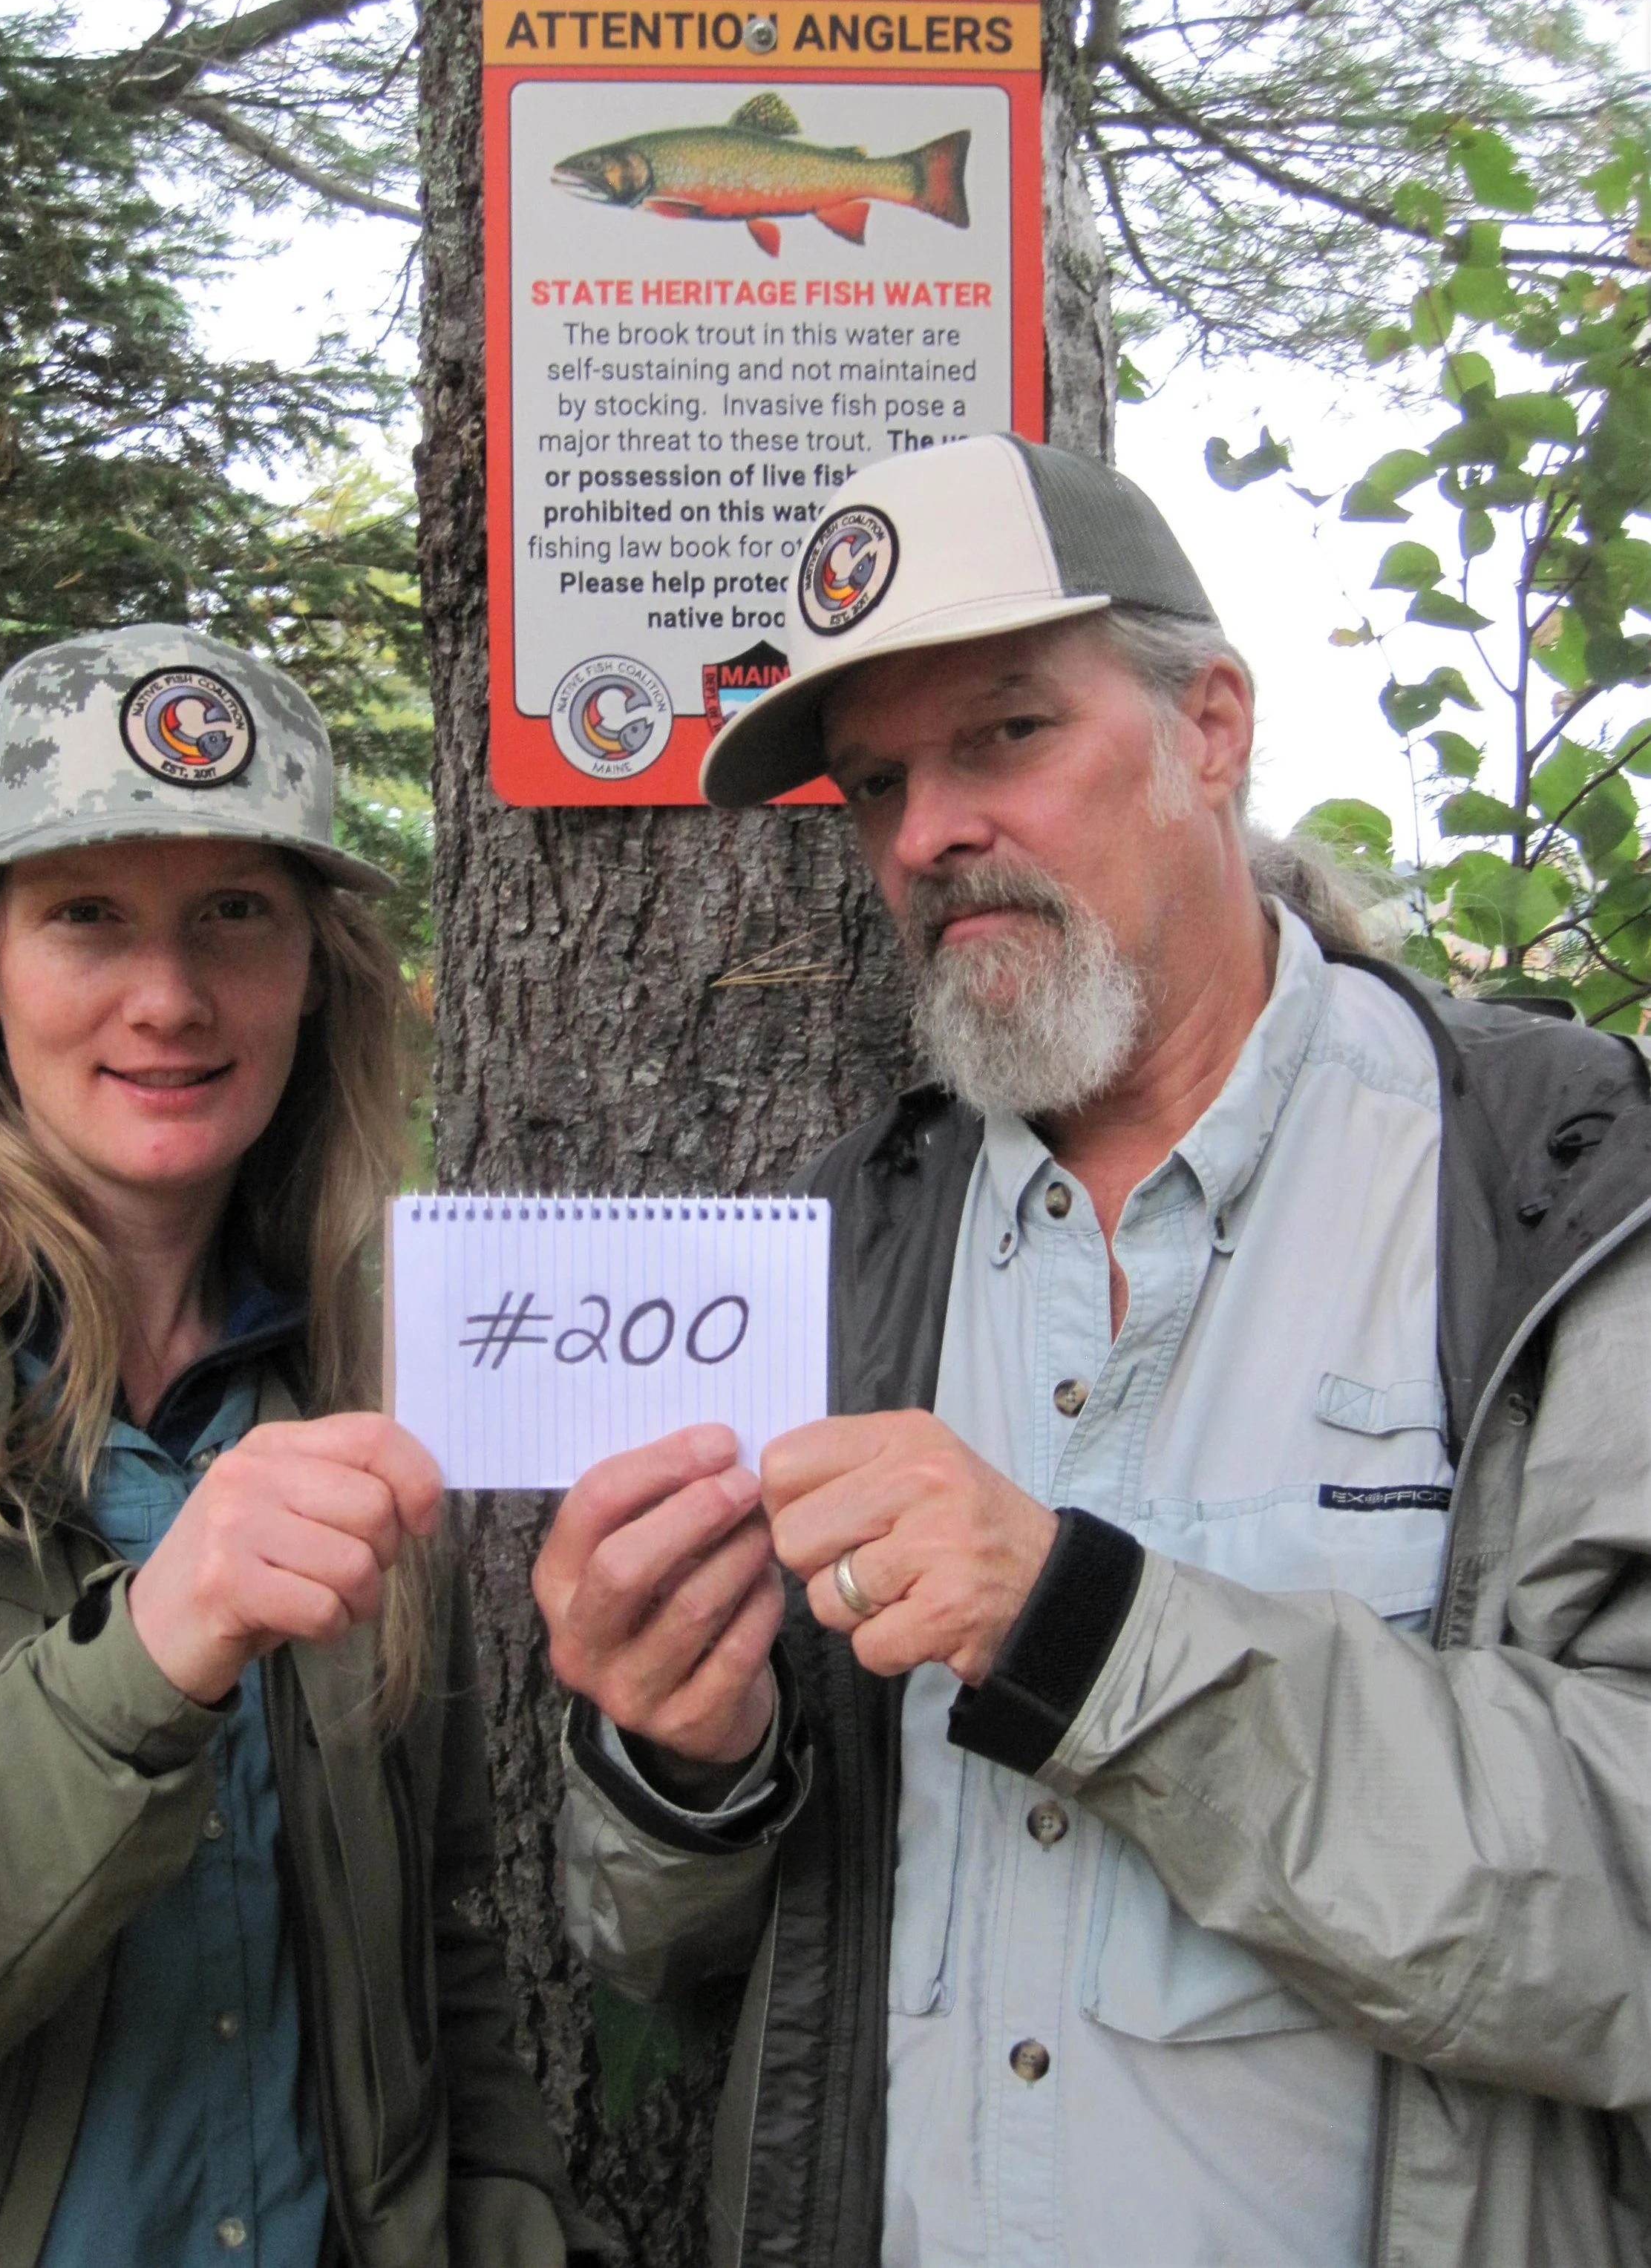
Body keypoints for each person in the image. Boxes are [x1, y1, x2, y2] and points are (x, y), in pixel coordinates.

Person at [534, 434, 1651, 2268]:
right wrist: (680, 1759)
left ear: (1208, 727)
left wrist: (1084, 1631)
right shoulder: (829, 1256)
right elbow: (663, 1956)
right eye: (874, 781)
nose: (920, 833)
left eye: (1000, 736)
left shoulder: (1543, 1197)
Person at [0, 626, 598, 2268]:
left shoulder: (368, 1387)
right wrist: (141, 1662)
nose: (170, 998)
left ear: (314, 965)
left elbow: (447, 1957)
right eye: (87, 914)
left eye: (235, 911)